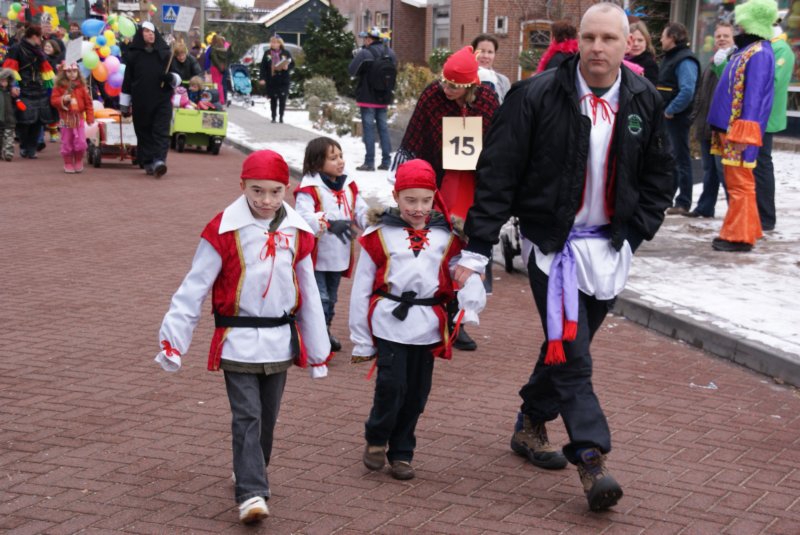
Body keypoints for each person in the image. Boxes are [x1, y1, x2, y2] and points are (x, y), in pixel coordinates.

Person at [454, 2, 673, 511]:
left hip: (610, 247)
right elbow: (498, 173)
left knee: (568, 343)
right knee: (574, 354)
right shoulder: (536, 94)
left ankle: (531, 422)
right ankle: (592, 457)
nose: (597, 48)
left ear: (626, 44)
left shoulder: (643, 98)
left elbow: (660, 173)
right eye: (589, 37)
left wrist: (637, 230)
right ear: (578, 40)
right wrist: (478, 249)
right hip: (553, 247)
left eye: (609, 39)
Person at [155, 150, 331, 524]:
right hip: (237, 339)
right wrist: (174, 341)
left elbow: (309, 293)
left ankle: (250, 468)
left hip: (279, 340)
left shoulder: (298, 233)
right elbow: (194, 287)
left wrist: (318, 351)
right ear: (242, 186)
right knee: (247, 415)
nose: (266, 200)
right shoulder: (222, 230)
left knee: (267, 418)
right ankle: (251, 493)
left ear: (287, 189)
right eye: (257, 191)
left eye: (275, 192)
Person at [350, 158, 486, 481]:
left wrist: (471, 291)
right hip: (389, 321)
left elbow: (459, 271)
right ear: (396, 196)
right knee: (391, 385)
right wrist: (361, 338)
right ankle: (377, 436)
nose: (419, 208)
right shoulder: (378, 234)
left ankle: (402, 452)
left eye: (426, 200)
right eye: (410, 200)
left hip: (427, 326)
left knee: (416, 394)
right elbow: (361, 288)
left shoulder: (447, 236)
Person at [393, 45, 498, 351]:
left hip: (474, 184)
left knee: (468, 250)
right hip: (441, 181)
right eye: (444, 82)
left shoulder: (488, 99)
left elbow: (499, 140)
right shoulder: (432, 96)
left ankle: (459, 318)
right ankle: (431, 309)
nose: (446, 89)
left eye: (454, 85)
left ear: (470, 85)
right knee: (438, 245)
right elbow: (417, 140)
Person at [707, 0, 777, 252]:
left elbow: (755, 97)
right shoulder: (748, 50)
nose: (738, 26)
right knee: (737, 182)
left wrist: (744, 133)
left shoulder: (759, 53)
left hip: (738, 131)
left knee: (740, 185)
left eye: (742, 22)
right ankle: (748, 229)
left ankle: (739, 237)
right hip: (728, 128)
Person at [295, 137, 369, 353]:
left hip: (339, 255)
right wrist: (328, 223)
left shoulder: (348, 186)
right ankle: (314, 335)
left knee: (332, 297)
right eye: (333, 158)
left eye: (341, 156)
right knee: (320, 298)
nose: (340, 161)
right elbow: (303, 216)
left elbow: (360, 211)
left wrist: (377, 220)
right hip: (316, 256)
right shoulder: (310, 189)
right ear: (317, 163)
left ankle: (324, 330)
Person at [687, 22, 734, 219]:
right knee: (709, 170)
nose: (721, 39)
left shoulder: (734, 61)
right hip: (706, 123)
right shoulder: (713, 60)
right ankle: (705, 207)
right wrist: (696, 116)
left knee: (724, 171)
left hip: (722, 127)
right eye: (718, 36)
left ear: (733, 39)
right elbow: (702, 92)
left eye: (726, 36)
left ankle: (736, 210)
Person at [120, 21, 178, 178]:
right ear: (141, 35)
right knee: (144, 131)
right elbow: (128, 79)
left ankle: (159, 160)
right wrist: (124, 104)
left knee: (161, 130)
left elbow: (177, 75)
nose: (150, 34)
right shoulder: (133, 55)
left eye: (152, 31)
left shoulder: (165, 53)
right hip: (141, 101)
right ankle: (148, 161)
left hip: (162, 99)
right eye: (146, 31)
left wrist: (171, 78)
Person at [754, 21, 794, 232]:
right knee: (756, 167)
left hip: (765, 117)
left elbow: (772, 83)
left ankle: (766, 217)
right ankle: (758, 214)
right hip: (757, 116)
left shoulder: (781, 49)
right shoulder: (767, 46)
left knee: (762, 166)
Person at [658, 22, 700, 216]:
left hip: (677, 117)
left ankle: (683, 201)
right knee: (672, 158)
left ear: (673, 38)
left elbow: (687, 90)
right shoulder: (672, 57)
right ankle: (669, 199)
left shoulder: (685, 60)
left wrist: (671, 109)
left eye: (663, 36)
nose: (661, 39)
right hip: (669, 116)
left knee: (681, 159)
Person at [2, 24, 56, 159]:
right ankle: (24, 146)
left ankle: (31, 148)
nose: (41, 40)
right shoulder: (16, 48)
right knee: (24, 121)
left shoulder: (39, 50)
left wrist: (52, 83)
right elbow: (9, 70)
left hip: (39, 89)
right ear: (33, 36)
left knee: (39, 121)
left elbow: (46, 69)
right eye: (39, 37)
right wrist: (13, 85)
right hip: (23, 89)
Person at [348, 27, 396, 171]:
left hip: (367, 97)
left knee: (368, 130)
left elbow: (352, 71)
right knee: (383, 129)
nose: (364, 41)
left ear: (369, 39)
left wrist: (357, 57)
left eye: (365, 39)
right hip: (384, 97)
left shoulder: (365, 53)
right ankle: (386, 161)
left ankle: (369, 162)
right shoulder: (390, 53)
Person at [50, 61, 93, 173]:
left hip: (79, 118)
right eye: (69, 71)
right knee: (67, 141)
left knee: (81, 142)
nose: (72, 74)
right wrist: (63, 99)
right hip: (65, 118)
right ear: (64, 73)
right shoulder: (59, 87)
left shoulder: (82, 87)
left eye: (74, 71)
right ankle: (68, 162)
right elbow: (53, 100)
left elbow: (88, 103)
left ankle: (78, 160)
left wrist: (90, 117)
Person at [258, 35, 293, 123]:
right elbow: (263, 66)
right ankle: (273, 116)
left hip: (283, 79)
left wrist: (287, 67)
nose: (274, 44)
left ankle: (281, 116)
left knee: (282, 98)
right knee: (273, 98)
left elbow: (292, 64)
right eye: (272, 42)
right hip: (272, 79)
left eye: (276, 42)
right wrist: (262, 78)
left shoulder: (286, 53)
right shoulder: (267, 53)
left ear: (280, 43)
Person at [471, 34, 511, 103]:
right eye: (481, 51)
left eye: (490, 52)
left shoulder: (503, 81)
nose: (486, 56)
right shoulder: (463, 78)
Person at [625, 21, 658, 85]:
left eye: (640, 40)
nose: (636, 44)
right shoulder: (619, 60)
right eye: (632, 40)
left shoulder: (650, 65)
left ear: (646, 42)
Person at [0, 67, 17, 161]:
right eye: (2, 80)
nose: (4, 82)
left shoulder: (11, 91)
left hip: (9, 118)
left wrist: (16, 97)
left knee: (9, 137)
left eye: (6, 80)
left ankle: (8, 154)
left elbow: (16, 102)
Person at [209, 34, 229, 105]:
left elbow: (214, 58)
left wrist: (218, 66)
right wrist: (222, 68)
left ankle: (217, 99)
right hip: (222, 68)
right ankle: (222, 99)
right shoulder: (224, 49)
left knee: (215, 84)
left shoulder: (214, 49)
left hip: (215, 67)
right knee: (220, 84)